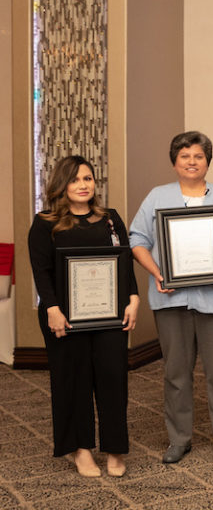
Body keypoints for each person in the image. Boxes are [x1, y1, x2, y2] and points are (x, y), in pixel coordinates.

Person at [129, 131, 213, 464]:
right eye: (185, 156)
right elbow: (137, 240)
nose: (191, 162)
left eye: (198, 156)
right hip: (172, 300)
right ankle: (178, 438)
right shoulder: (157, 197)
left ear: (207, 161)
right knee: (176, 372)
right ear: (175, 161)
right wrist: (158, 272)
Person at [28, 155, 139, 478]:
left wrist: (133, 299)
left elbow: (124, 262)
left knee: (112, 377)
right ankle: (80, 449)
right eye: (75, 179)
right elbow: (41, 271)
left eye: (88, 178)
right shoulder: (45, 223)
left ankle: (115, 448)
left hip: (110, 315)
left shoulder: (110, 219)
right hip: (63, 317)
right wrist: (52, 309)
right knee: (72, 381)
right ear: (61, 184)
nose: (82, 185)